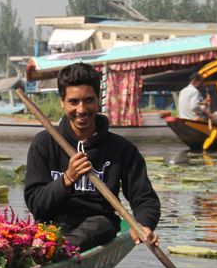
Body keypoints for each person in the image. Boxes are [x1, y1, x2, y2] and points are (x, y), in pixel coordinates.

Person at [23, 62, 160, 252]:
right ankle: (52, 249)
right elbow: (37, 205)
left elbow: (145, 199)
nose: (81, 109)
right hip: (51, 228)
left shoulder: (121, 149)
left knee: (100, 225)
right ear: (62, 102)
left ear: (98, 100)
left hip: (97, 227)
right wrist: (67, 179)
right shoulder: (44, 144)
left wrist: (144, 224)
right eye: (73, 102)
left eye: (88, 100)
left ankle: (60, 251)